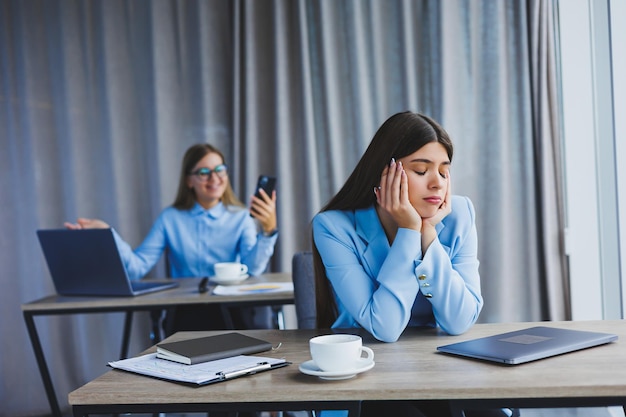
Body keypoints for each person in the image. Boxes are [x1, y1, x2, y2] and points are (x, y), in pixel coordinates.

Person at [312, 111, 514, 417]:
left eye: (444, 172)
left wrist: (428, 235)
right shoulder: (333, 226)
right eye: (421, 171)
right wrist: (409, 232)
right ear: (384, 175)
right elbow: (385, 327)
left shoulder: (459, 213)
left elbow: (460, 320)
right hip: (365, 372)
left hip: (440, 366)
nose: (437, 184)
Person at [65, 143, 279, 332]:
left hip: (232, 310)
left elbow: (252, 269)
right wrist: (107, 234)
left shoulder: (240, 217)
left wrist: (268, 232)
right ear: (189, 181)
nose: (214, 178)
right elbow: (137, 267)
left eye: (220, 170)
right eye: (204, 172)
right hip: (187, 313)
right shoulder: (170, 218)